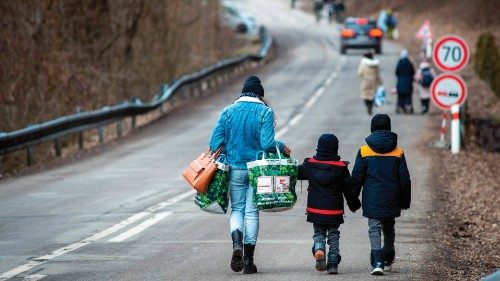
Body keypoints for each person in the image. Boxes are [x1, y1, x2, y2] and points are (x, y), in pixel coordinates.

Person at [209, 76, 291, 274]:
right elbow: (268, 145)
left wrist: (229, 147)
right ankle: (248, 261)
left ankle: (236, 244)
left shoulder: (227, 112)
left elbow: (214, 144)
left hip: (235, 168)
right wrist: (282, 146)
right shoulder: (265, 112)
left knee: (237, 209)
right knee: (252, 212)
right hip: (258, 170)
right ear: (260, 95)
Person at [351, 114, 411, 276]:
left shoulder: (364, 151)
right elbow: (404, 179)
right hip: (392, 197)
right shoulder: (398, 152)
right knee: (389, 226)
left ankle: (377, 261)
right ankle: (389, 255)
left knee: (374, 227)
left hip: (372, 197)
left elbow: (357, 177)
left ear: (372, 128)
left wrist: (352, 197)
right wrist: (404, 201)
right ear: (389, 128)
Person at [297, 134, 361, 274]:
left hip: (315, 209)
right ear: (335, 148)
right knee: (333, 235)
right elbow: (348, 189)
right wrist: (354, 204)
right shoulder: (341, 168)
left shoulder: (310, 165)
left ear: (318, 147)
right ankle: (332, 263)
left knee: (319, 232)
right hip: (334, 211)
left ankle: (319, 248)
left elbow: (296, 173)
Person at [395, 49, 415, 114]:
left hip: (400, 83)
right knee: (408, 96)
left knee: (400, 96)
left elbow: (396, 72)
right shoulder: (409, 63)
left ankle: (400, 107)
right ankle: (408, 107)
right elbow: (413, 72)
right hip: (408, 83)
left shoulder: (399, 63)